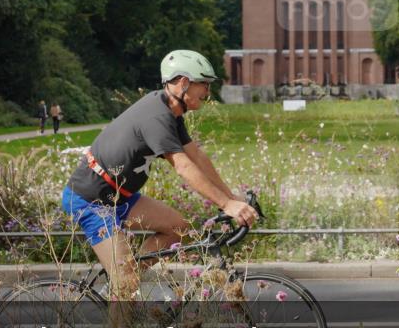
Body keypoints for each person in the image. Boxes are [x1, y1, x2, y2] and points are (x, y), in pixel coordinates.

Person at [61, 50, 258, 305]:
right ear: (183, 82)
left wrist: (232, 198)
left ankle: (126, 274)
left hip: (122, 198)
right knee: (125, 285)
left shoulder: (171, 111)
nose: (208, 91)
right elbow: (184, 166)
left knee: (181, 230)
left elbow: (196, 156)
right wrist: (227, 205)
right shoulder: (156, 116)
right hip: (90, 200)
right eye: (204, 84)